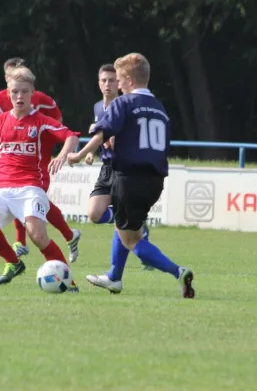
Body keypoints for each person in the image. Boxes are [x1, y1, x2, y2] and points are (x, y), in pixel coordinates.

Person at [67, 53, 195, 298]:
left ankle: (179, 272)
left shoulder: (122, 103)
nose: (116, 84)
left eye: (118, 79)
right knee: (122, 224)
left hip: (129, 178)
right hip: (154, 181)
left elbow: (103, 134)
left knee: (132, 241)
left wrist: (79, 154)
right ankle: (114, 278)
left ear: (127, 79)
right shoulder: (159, 108)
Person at [0, 67, 81, 290]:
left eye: (24, 92)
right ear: (8, 93)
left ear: (32, 93)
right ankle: (13, 262)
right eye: (15, 92)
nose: (19, 97)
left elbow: (71, 136)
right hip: (1, 188)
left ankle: (70, 282)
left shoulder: (41, 121)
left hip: (30, 188)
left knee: (37, 236)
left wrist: (63, 154)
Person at [86, 64, 154, 271]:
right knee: (95, 214)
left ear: (120, 83)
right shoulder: (98, 107)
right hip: (107, 166)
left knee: (122, 222)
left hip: (124, 168)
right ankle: (137, 226)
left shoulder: (126, 105)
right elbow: (100, 135)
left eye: (112, 80)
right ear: (98, 83)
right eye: (104, 80)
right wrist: (90, 151)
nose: (108, 84)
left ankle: (117, 273)